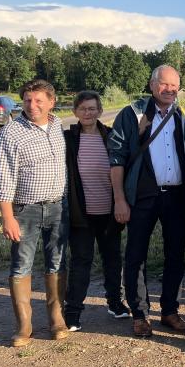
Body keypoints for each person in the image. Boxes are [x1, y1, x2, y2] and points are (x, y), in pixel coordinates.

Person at [108, 65, 185, 338]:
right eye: (164, 84)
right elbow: (116, 159)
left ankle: (170, 311)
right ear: (151, 85)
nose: (170, 90)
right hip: (142, 195)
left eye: (175, 85)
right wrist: (120, 200)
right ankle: (140, 314)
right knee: (136, 255)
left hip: (177, 197)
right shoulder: (132, 114)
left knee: (176, 256)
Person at [0, 79, 68, 346]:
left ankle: (57, 319)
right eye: (27, 100)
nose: (32, 105)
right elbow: (3, 178)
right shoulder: (10, 133)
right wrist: (7, 216)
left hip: (58, 206)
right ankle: (24, 326)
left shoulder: (58, 125)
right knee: (21, 264)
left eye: (38, 100)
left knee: (57, 262)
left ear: (51, 102)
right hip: (25, 210)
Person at [63, 91, 128, 332]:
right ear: (75, 112)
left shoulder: (111, 137)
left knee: (112, 259)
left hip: (109, 212)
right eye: (83, 109)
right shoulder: (68, 139)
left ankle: (115, 303)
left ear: (100, 111)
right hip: (81, 214)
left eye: (92, 108)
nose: (88, 113)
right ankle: (72, 312)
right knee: (81, 261)